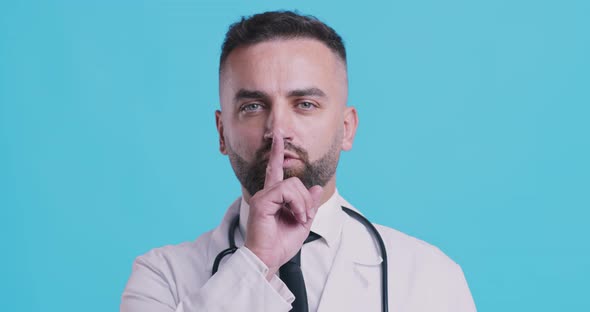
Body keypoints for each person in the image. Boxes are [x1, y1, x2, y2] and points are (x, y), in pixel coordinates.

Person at [120, 10, 477, 312]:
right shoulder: (161, 277)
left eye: (305, 104)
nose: (279, 130)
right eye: (253, 107)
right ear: (221, 134)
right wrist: (256, 260)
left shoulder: (432, 277)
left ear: (347, 128)